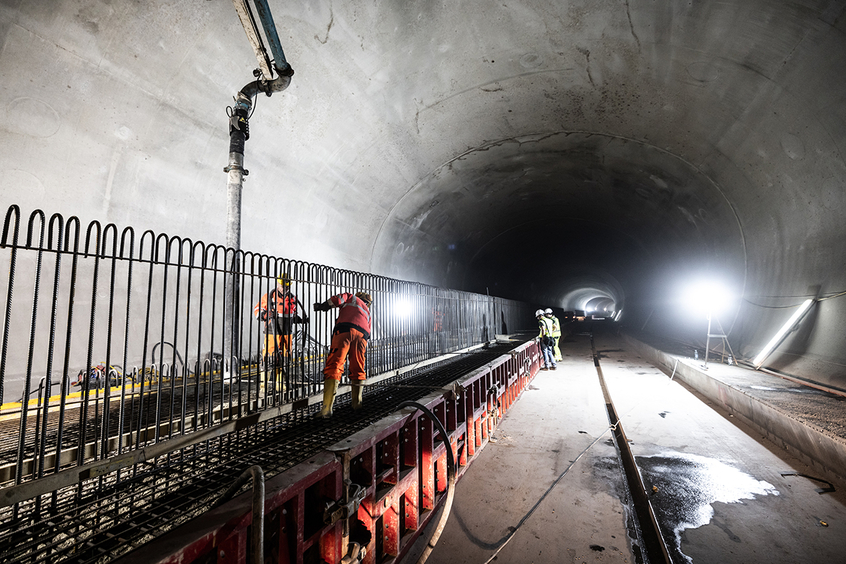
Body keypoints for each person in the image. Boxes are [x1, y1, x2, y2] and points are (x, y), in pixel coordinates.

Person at [313, 291, 373, 418]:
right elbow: (369, 330)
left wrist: (324, 305)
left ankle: (326, 410)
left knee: (335, 364)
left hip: (345, 330)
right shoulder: (368, 312)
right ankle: (357, 404)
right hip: (362, 336)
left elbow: (338, 299)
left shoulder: (352, 297)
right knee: (358, 367)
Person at [253, 274, 306, 390]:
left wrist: (300, 320)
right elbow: (257, 310)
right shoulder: (269, 297)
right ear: (278, 284)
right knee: (270, 357)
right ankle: (264, 384)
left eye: (287, 286)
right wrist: (265, 315)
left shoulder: (292, 299)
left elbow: (293, 314)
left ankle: (280, 384)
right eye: (283, 286)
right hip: (272, 332)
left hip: (287, 333)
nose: (285, 288)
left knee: (284, 358)